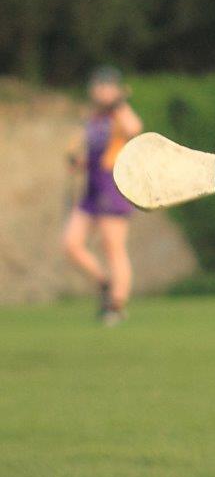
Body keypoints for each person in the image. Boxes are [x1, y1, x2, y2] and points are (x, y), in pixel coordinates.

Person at [62, 66, 143, 327]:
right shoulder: (94, 118)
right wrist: (78, 161)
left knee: (113, 247)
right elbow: (92, 153)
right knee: (71, 243)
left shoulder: (119, 113)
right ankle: (105, 283)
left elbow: (134, 129)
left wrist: (119, 104)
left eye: (106, 85)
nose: (100, 90)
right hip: (92, 188)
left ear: (115, 89)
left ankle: (116, 304)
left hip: (112, 186)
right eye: (98, 85)